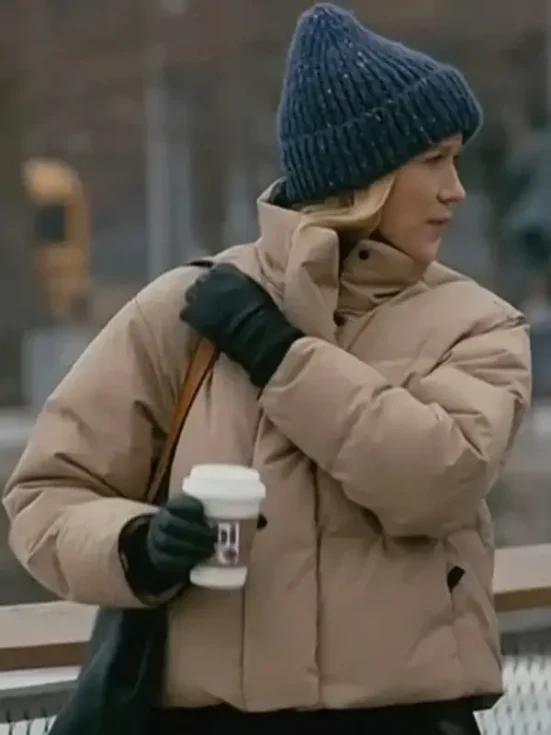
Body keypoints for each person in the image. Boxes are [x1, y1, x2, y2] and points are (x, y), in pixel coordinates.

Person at [3, 4, 531, 734]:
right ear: (364, 171)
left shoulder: (477, 324)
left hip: (404, 722)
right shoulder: (183, 311)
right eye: (433, 159)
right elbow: (45, 495)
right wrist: (139, 545)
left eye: (457, 160)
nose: (455, 189)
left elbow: (434, 480)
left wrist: (278, 353)